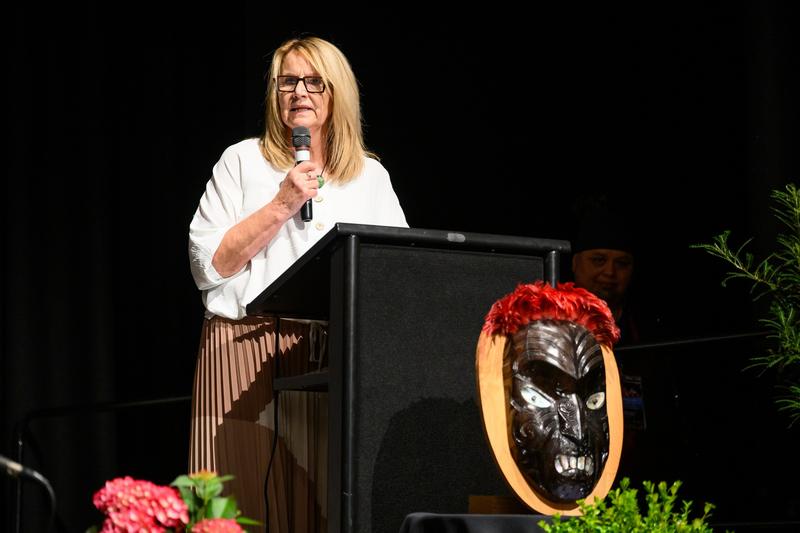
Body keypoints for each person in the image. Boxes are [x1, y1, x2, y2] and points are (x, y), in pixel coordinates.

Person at [187, 36, 407, 531]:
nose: (300, 92)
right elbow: (210, 265)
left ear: (337, 93)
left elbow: (395, 273)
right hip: (243, 350)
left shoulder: (370, 176)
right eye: (288, 81)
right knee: (236, 507)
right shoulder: (242, 161)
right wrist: (284, 202)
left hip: (334, 357)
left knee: (324, 507)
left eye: (314, 81)